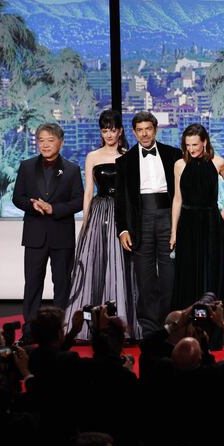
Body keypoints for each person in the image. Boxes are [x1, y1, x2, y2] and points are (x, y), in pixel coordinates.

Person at [64, 110, 141, 341]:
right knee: (96, 265)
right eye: (105, 130)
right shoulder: (92, 156)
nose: (109, 134)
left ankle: (122, 325)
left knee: (121, 267)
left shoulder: (129, 154)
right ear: (101, 132)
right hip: (99, 213)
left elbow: (133, 192)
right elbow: (88, 192)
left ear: (120, 131)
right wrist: (86, 224)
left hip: (122, 214)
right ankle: (90, 326)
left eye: (113, 129)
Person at [13, 123, 84, 341]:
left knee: (62, 285)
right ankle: (29, 330)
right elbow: (17, 197)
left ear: (60, 142)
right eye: (41, 140)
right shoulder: (26, 166)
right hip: (34, 236)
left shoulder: (71, 169)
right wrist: (31, 205)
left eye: (50, 140)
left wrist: (54, 209)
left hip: (61, 236)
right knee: (33, 283)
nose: (45, 144)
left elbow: (79, 201)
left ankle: (57, 331)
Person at [115, 111, 182, 338]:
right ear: (134, 132)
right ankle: (149, 329)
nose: (144, 134)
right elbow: (121, 199)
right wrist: (123, 229)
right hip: (139, 219)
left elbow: (182, 192)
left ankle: (170, 324)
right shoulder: (124, 161)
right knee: (144, 276)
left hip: (167, 215)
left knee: (169, 274)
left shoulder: (174, 154)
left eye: (148, 129)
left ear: (155, 129)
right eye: (139, 130)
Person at [169, 124, 224, 318]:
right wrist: (173, 231)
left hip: (211, 222)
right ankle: (187, 322)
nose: (192, 149)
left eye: (195, 144)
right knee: (187, 273)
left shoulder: (218, 162)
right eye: (188, 145)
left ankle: (212, 322)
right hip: (187, 223)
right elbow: (177, 199)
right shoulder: (180, 165)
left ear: (204, 142)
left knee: (211, 271)